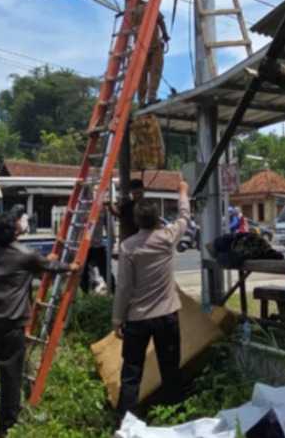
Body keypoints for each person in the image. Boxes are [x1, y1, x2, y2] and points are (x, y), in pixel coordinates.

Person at [0, 212, 78, 435]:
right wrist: (72, 267)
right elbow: (52, 267)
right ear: (14, 232)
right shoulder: (24, 254)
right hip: (11, 327)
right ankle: (7, 427)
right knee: (10, 378)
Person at [112, 175, 191, 418]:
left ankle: (126, 421)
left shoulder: (128, 248)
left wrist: (117, 319)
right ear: (157, 219)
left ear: (136, 220)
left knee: (132, 371)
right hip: (167, 316)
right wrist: (182, 191)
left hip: (137, 319)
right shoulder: (167, 238)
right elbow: (184, 217)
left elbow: (124, 288)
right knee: (170, 367)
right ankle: (174, 413)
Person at [134, 3, 169, 107]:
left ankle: (141, 101)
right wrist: (165, 35)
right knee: (155, 72)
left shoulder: (133, 12)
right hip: (154, 46)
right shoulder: (150, 6)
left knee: (142, 76)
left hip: (140, 48)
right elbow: (161, 21)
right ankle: (151, 97)